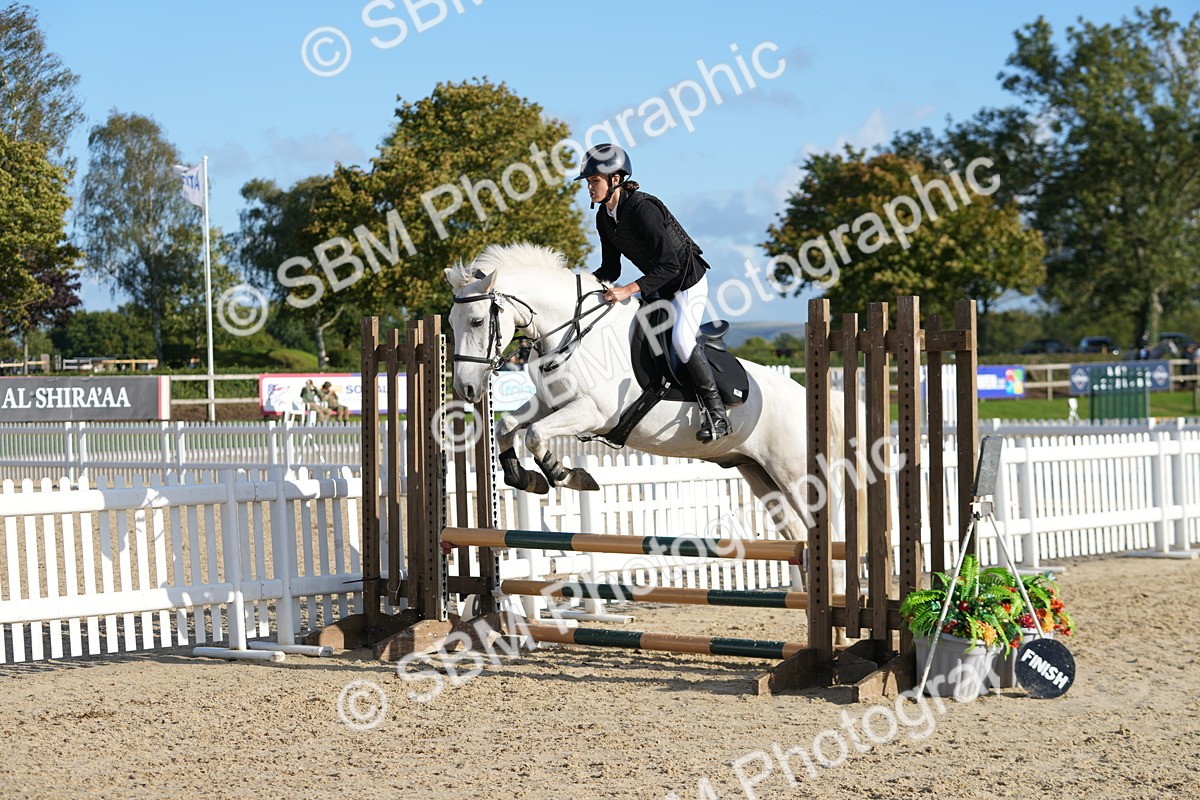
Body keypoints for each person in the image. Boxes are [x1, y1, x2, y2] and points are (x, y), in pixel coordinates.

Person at [576, 143, 731, 443]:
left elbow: (671, 265)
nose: (590, 188)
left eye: (594, 181)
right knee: (636, 334)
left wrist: (630, 290)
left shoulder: (643, 209)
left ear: (615, 180)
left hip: (687, 282)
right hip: (658, 285)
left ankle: (717, 414)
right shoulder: (604, 218)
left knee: (682, 341)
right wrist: (581, 287)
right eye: (588, 183)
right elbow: (611, 268)